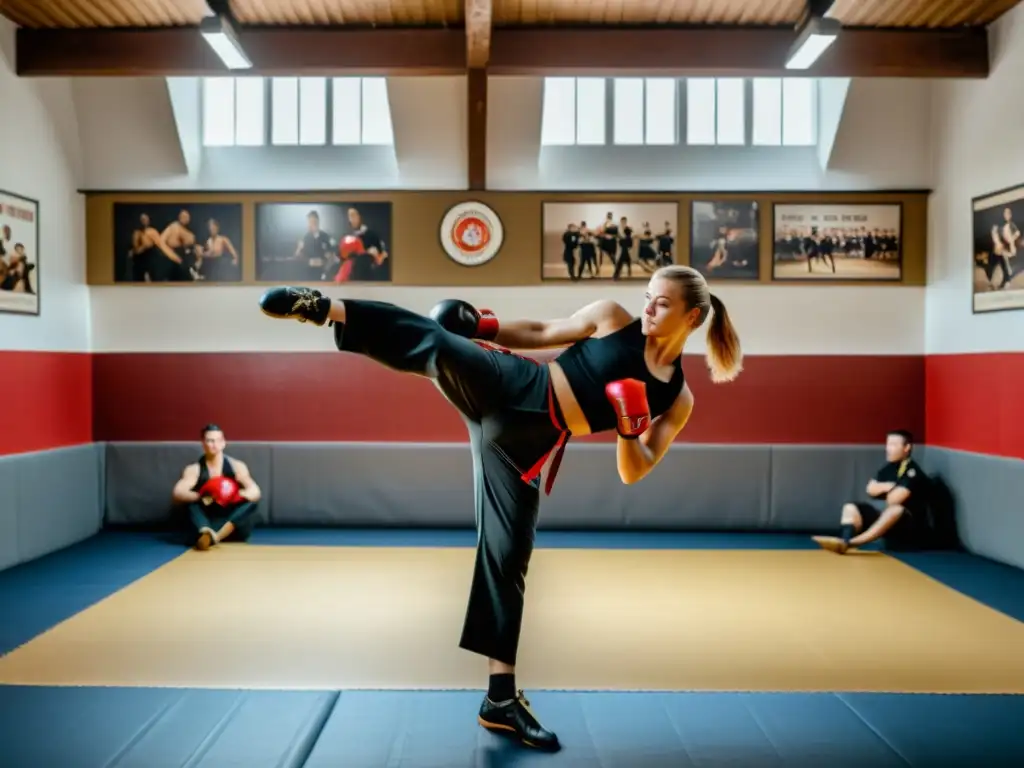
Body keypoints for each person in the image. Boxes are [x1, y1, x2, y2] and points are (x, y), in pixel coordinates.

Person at [257, 264, 743, 751]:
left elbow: (633, 469)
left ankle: (500, 702)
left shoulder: (676, 398)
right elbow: (541, 332)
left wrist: (629, 426)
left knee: (506, 559)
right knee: (440, 345)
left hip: (525, 450)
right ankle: (323, 308)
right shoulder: (612, 318)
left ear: (693, 316)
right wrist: (484, 326)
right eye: (648, 295)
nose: (648, 307)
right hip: (515, 384)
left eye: (661, 302)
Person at [813, 429, 930, 554]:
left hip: (909, 530)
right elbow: (870, 489)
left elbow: (894, 500)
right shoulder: (889, 468)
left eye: (893, 445)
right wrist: (890, 487)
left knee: (895, 509)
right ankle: (843, 539)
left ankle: (851, 543)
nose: (888, 449)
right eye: (887, 444)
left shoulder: (913, 472)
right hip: (885, 518)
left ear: (906, 447)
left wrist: (882, 487)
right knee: (850, 508)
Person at [171, 424, 262, 551]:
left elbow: (255, 492)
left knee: (251, 505)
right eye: (209, 440)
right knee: (190, 504)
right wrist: (205, 496)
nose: (214, 444)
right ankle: (206, 531)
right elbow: (178, 492)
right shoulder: (195, 469)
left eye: (218, 440)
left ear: (224, 443)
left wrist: (232, 496)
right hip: (207, 521)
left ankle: (215, 537)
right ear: (203, 443)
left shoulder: (237, 466)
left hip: (230, 526)